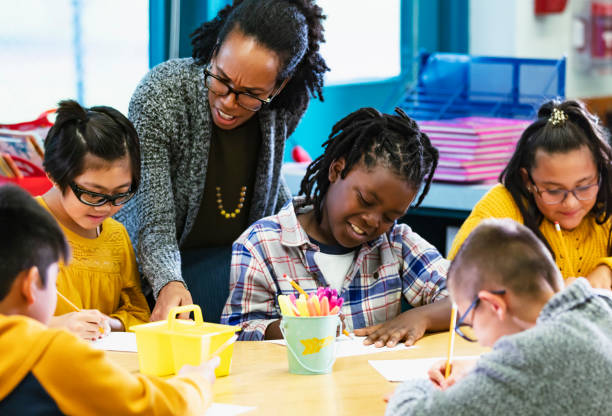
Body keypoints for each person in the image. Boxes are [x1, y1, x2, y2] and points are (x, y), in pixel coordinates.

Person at [116, 0, 329, 323]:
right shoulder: (162, 94)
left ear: (280, 85)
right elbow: (151, 218)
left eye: (250, 93)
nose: (228, 102)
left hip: (237, 261)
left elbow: (268, 183)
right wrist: (168, 282)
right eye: (221, 79)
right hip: (159, 271)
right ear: (215, 52)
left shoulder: (285, 105)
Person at [221, 108, 450, 344]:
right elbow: (239, 334)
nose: (373, 221)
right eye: (365, 200)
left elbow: (469, 299)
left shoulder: (395, 243)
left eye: (390, 216)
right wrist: (299, 327)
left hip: (371, 380)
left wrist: (420, 317)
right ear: (336, 170)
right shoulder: (261, 245)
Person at [0, 184, 218, 415]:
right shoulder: (51, 354)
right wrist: (196, 382)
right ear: (31, 285)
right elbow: (159, 408)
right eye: (55, 278)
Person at [385, 218, 612, 415]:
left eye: (471, 322)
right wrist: (482, 367)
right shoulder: (600, 307)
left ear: (494, 305)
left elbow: (414, 412)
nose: (482, 342)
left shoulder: (526, 362)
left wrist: (413, 388)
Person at [449, 100, 612, 290]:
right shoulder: (502, 206)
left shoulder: (607, 193)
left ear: (600, 173)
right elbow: (458, 278)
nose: (571, 203)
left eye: (584, 187)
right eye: (554, 191)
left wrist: (607, 270)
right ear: (527, 180)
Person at [40, 100, 150, 339]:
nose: (107, 207)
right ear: (54, 176)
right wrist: (54, 326)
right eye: (92, 194)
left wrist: (108, 323)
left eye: (121, 193)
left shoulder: (115, 236)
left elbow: (138, 314)